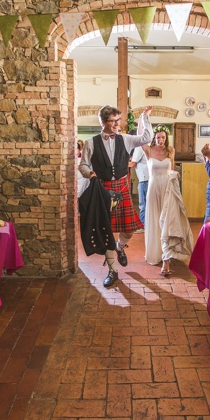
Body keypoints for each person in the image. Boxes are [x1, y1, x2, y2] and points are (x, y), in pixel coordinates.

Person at [79, 105, 152, 287]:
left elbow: (147, 138)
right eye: (113, 121)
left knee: (129, 229)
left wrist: (144, 118)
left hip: (121, 187)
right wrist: (90, 174)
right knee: (106, 230)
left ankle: (120, 247)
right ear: (103, 122)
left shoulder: (125, 139)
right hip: (102, 189)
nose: (117, 124)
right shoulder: (91, 143)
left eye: (118, 120)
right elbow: (83, 165)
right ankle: (112, 270)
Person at [142, 127, 192, 275]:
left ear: (166, 138)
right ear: (153, 138)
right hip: (154, 187)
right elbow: (141, 138)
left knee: (168, 220)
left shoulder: (171, 150)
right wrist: (145, 118)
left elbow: (172, 169)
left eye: (163, 137)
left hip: (168, 187)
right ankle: (155, 253)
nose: (160, 140)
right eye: (158, 138)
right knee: (155, 218)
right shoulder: (148, 150)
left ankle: (167, 255)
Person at [129, 145, 149, 227]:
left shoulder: (139, 147)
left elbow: (133, 164)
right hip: (148, 179)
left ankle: (143, 225)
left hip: (144, 180)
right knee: (147, 204)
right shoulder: (146, 145)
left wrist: (118, 165)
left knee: (143, 204)